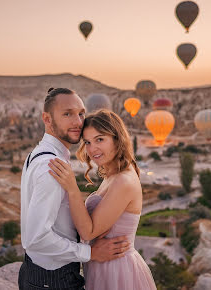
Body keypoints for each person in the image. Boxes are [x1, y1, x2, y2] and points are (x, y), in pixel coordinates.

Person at [19, 88, 131, 290]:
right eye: (67, 114)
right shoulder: (51, 166)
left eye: (81, 113)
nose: (78, 122)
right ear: (47, 118)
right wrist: (90, 253)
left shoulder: (40, 154)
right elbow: (35, 238)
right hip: (53, 280)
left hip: (39, 272)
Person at [48, 109, 157, 290]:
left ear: (117, 138)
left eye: (100, 139)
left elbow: (88, 232)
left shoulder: (123, 180)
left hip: (117, 272)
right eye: (88, 142)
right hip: (104, 267)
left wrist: (72, 188)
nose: (92, 149)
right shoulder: (112, 173)